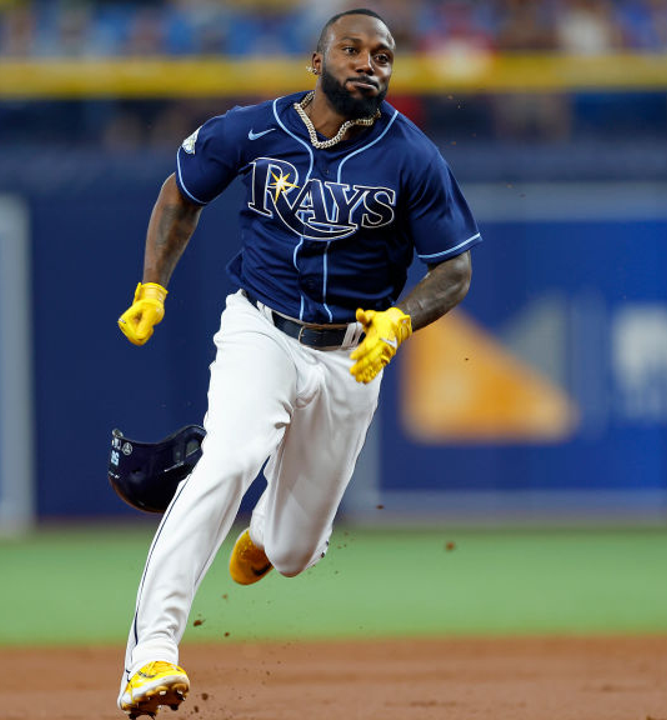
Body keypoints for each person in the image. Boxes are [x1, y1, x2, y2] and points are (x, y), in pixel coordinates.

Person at [112, 8, 480, 718]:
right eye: (352, 49)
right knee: (227, 460)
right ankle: (150, 656)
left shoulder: (412, 156)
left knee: (293, 551)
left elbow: (454, 271)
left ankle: (267, 536)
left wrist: (402, 319)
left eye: (383, 55)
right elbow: (179, 194)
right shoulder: (251, 130)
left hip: (351, 359)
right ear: (317, 62)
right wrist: (152, 283)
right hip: (263, 330)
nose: (369, 63)